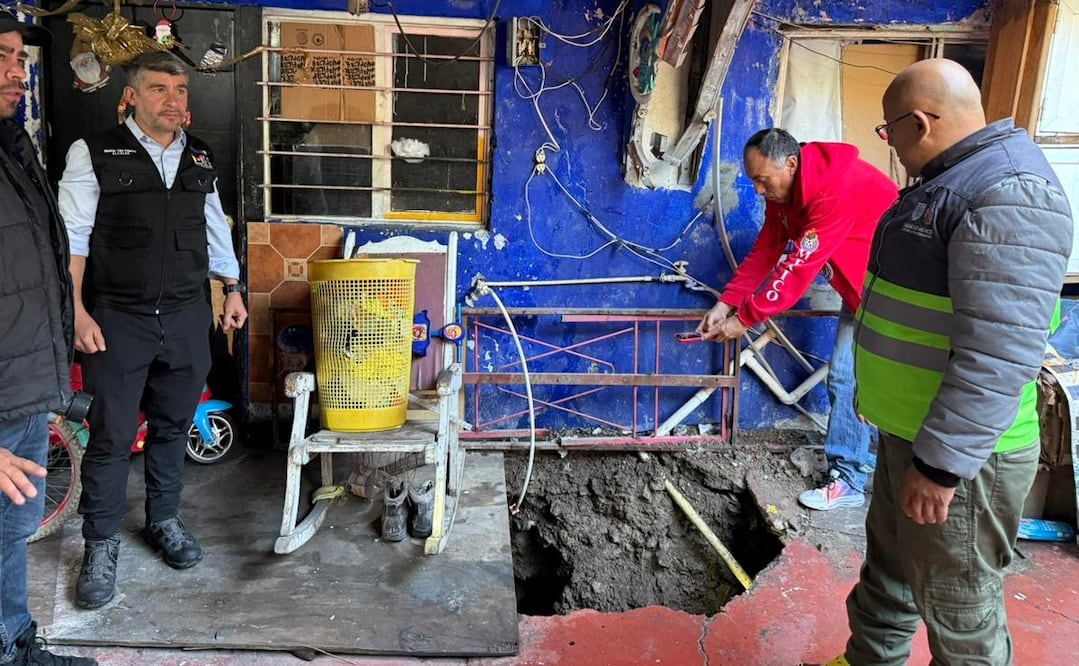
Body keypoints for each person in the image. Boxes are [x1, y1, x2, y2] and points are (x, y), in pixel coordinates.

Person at [837, 58, 1072, 665]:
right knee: (887, 578)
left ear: (919, 122)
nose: (889, 147)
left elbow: (999, 349)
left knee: (959, 610)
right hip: (912, 436)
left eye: (889, 133)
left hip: (961, 460)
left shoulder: (1008, 193)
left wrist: (942, 467)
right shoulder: (957, 180)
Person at [58, 51, 247, 610]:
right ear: (133, 96)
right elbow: (73, 236)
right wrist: (76, 310)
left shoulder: (200, 154)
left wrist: (232, 288)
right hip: (117, 317)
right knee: (113, 436)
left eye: (181, 90)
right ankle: (99, 545)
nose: (174, 101)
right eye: (160, 89)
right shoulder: (93, 152)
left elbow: (215, 227)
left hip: (187, 314)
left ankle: (163, 520)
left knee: (171, 426)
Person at [697, 128, 897, 510]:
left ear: (790, 164)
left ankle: (850, 477)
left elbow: (797, 269)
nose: (757, 190)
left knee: (847, 375)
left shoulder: (835, 190)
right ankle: (858, 462)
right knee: (852, 378)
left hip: (893, 295)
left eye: (761, 180)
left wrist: (746, 318)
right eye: (753, 180)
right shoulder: (785, 193)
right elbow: (768, 249)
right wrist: (726, 304)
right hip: (862, 294)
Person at [0, 15, 98, 666]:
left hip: (23, 387)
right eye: (0, 57)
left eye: (17, 56)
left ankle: (12, 642)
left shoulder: (13, 146)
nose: (16, 70)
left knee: (10, 530)